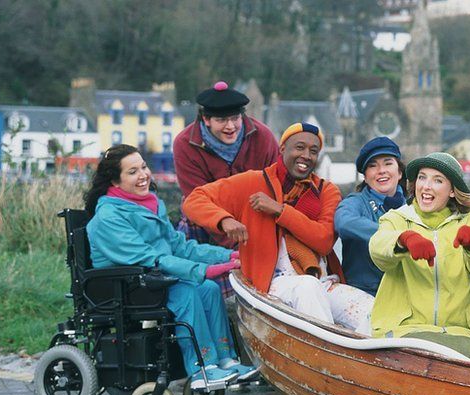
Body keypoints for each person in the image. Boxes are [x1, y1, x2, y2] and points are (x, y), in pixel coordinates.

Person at [84, 144, 257, 390]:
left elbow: (179, 246)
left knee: (208, 289)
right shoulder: (108, 217)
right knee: (189, 291)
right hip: (125, 285)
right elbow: (149, 257)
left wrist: (229, 255)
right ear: (115, 180)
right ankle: (201, 368)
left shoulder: (150, 203)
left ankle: (225, 360)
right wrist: (202, 270)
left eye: (143, 167)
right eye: (132, 172)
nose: (143, 175)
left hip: (155, 279)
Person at [182, 122, 373, 334]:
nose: (306, 156)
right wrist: (224, 220)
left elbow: (324, 241)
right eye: (299, 147)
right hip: (272, 284)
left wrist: (280, 211)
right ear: (282, 149)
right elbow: (195, 199)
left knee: (372, 311)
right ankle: (331, 358)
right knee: (306, 288)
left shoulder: (326, 190)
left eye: (313, 151)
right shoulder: (252, 182)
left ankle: (369, 365)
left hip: (323, 281)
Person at [368, 152, 470, 364]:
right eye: (422, 177)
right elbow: (378, 249)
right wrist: (404, 240)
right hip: (404, 328)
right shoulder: (396, 219)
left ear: (452, 191)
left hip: (460, 331)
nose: (426, 186)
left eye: (437, 180)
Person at [174, 81, 279, 248]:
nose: (230, 127)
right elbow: (195, 198)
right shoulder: (184, 144)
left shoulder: (263, 137)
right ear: (206, 119)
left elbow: (277, 187)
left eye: (235, 118)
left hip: (257, 214)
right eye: (222, 120)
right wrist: (236, 246)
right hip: (209, 218)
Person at [334, 136, 408, 296]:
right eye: (373, 166)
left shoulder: (413, 208)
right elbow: (343, 222)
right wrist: (396, 237)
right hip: (364, 294)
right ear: (365, 177)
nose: (381, 170)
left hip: (404, 296)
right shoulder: (356, 202)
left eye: (388, 163)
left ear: (400, 172)